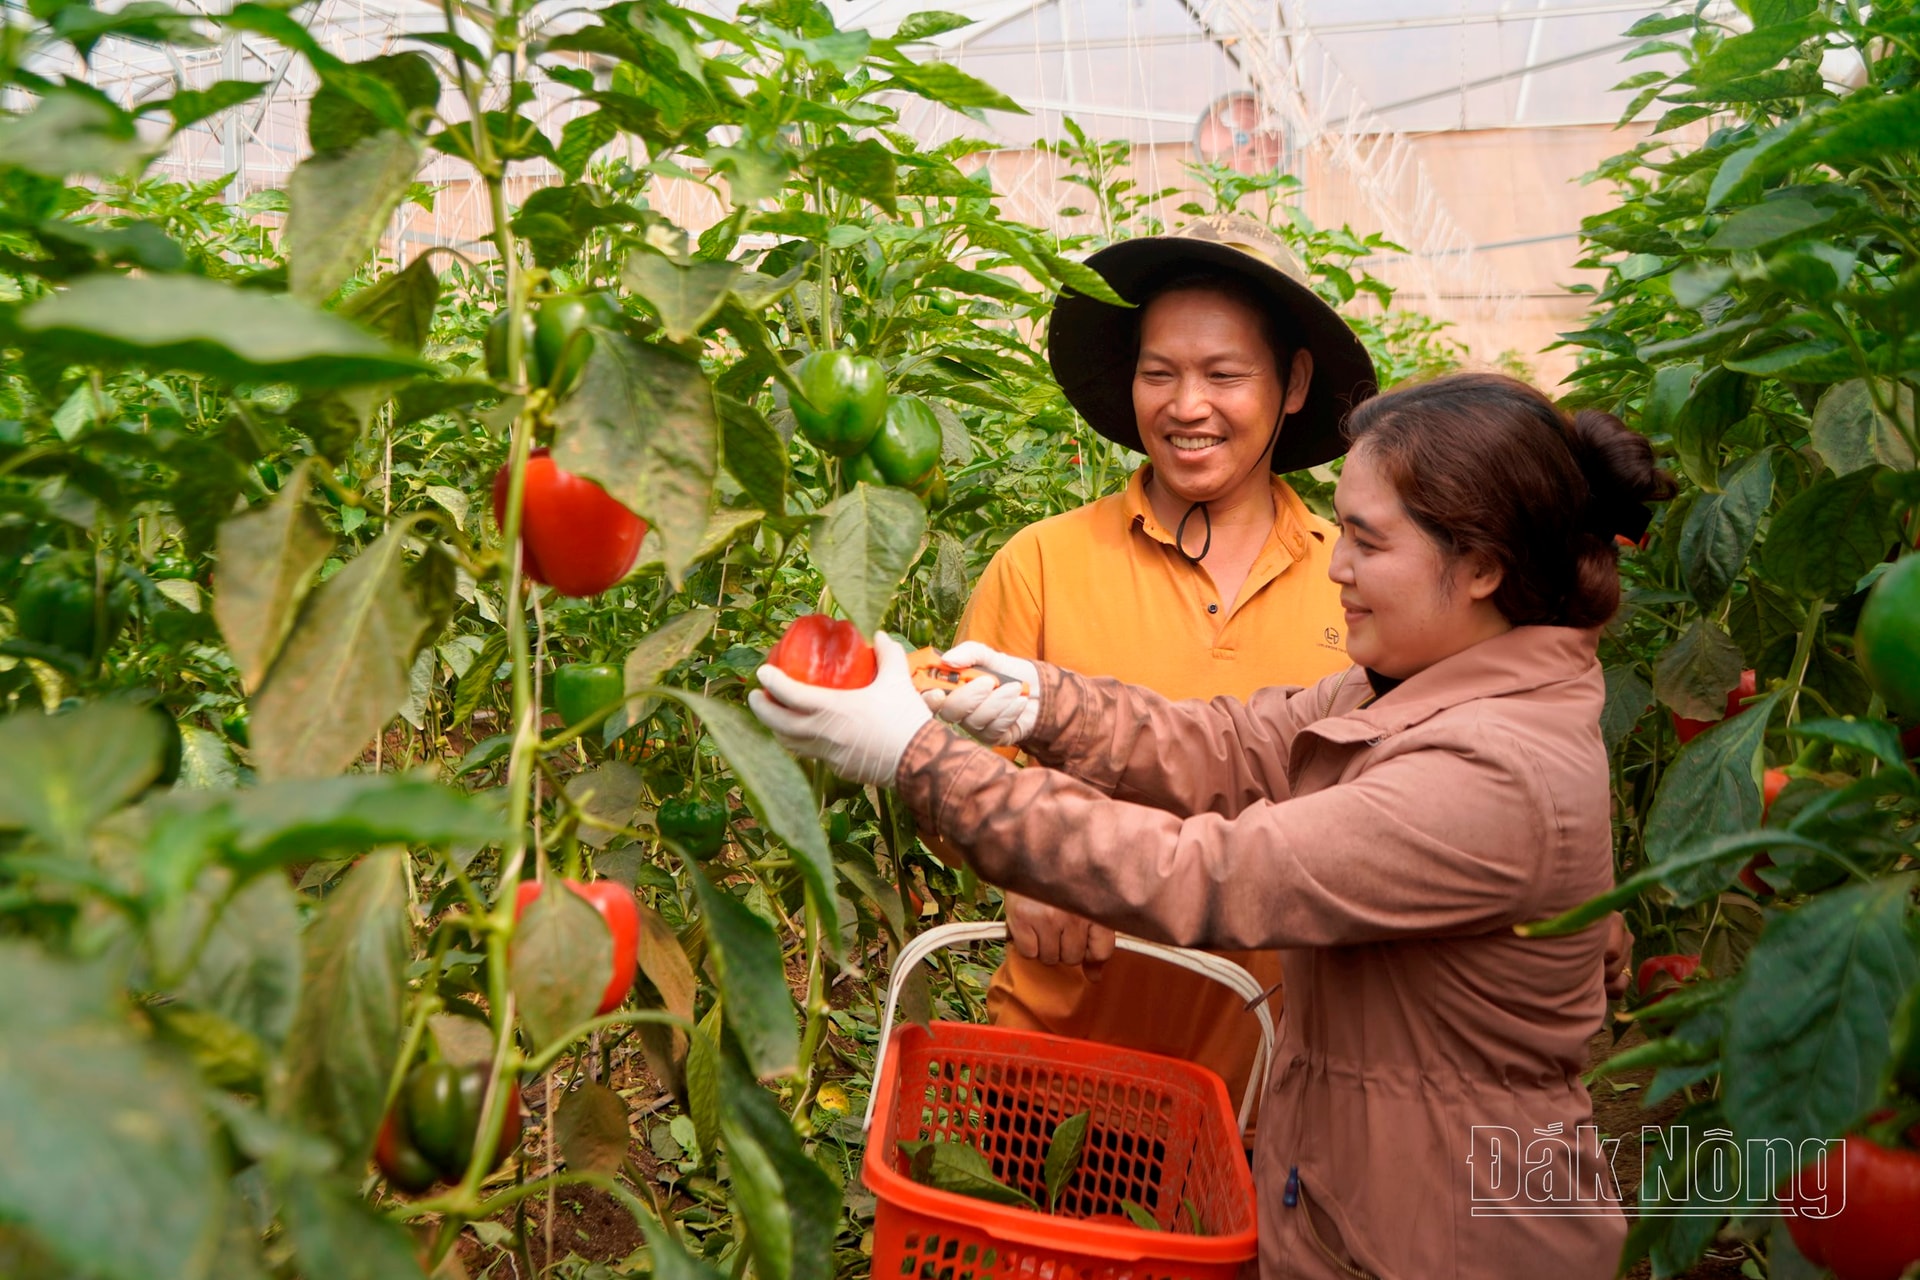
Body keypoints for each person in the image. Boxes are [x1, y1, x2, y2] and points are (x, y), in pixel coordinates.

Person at [752, 372, 1674, 1279]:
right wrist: (1037, 705)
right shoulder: (1414, 684)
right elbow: (1233, 745)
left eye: (1365, 540)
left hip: (1451, 1237)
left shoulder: (1495, 771)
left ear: (1481, 566)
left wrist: (917, 758)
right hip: (1359, 1204)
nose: (1337, 566)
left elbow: (1208, 874)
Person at [951, 214, 1380, 1111]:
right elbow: (949, 762)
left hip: (1270, 1091)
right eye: (1160, 373)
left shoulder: (1360, 583)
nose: (1188, 406)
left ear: (1293, 382)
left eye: (1225, 374)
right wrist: (1023, 867)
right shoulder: (1042, 563)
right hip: (1050, 1071)